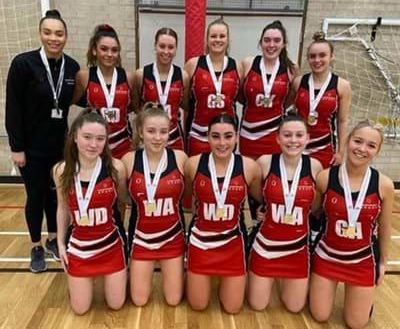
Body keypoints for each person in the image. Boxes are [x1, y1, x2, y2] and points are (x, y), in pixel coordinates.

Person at [5, 10, 80, 273]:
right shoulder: (23, 64)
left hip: (59, 147)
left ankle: (52, 240)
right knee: (35, 197)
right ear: (40, 34)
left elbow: (81, 96)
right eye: (48, 32)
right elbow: (13, 108)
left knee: (57, 197)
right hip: (31, 149)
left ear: (66, 37)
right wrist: (17, 148)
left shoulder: (71, 67)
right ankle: (36, 245)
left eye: (59, 33)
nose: (53, 38)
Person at [309, 120, 394, 329]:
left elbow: (385, 227)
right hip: (327, 255)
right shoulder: (325, 177)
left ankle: (365, 303)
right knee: (319, 315)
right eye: (358, 141)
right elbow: (313, 213)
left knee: (356, 323)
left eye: (371, 145)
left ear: (378, 151)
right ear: (347, 141)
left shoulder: (384, 185)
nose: (362, 149)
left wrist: (382, 263)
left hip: (362, 260)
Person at [184, 114, 262, 314]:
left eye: (228, 136)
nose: (222, 143)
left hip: (233, 242)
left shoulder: (250, 167)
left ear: (236, 137)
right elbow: (188, 196)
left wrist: (262, 213)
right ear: (207, 137)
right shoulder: (193, 164)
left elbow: (261, 198)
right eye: (215, 136)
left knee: (233, 308)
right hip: (201, 241)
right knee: (198, 305)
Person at [53, 108, 128, 314]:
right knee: (80, 309)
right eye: (87, 137)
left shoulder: (116, 168)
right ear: (75, 137)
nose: (94, 144)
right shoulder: (61, 171)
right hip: (79, 247)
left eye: (100, 138)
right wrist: (60, 244)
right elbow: (62, 208)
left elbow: (123, 202)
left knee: (116, 304)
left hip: (111, 245)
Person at [247, 115, 322, 312]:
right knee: (257, 305)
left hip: (297, 249)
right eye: (287, 135)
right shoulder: (265, 162)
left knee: (295, 307)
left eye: (299, 135)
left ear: (307, 138)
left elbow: (316, 206)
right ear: (278, 138)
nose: (293, 140)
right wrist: (264, 210)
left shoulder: (315, 166)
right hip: (266, 246)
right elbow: (255, 192)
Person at [121, 102, 188, 306]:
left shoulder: (181, 158)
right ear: (140, 132)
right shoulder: (128, 160)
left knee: (174, 300)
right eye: (151, 131)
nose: (158, 137)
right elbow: (124, 198)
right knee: (139, 301)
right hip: (141, 238)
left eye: (163, 132)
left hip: (173, 238)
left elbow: (193, 194)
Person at [290, 31, 352, 169]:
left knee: (321, 186)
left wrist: (341, 152)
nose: (317, 60)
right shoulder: (298, 82)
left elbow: (342, 121)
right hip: (297, 146)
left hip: (325, 148)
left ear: (331, 57)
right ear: (308, 59)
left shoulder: (342, 86)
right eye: (312, 56)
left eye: (322, 55)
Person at [72, 24, 135, 159]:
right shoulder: (84, 76)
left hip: (123, 142)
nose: (109, 54)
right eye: (104, 49)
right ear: (94, 50)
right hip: (94, 144)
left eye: (114, 50)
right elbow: (70, 101)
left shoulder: (128, 77)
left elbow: (134, 107)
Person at [240, 20, 299, 159]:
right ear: (260, 43)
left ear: (284, 44)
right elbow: (238, 94)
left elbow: (291, 97)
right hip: (248, 134)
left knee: (272, 177)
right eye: (267, 40)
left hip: (275, 135)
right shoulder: (248, 63)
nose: (271, 45)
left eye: (277, 40)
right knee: (249, 176)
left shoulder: (291, 68)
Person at [184, 18, 243, 156]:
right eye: (213, 36)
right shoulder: (193, 64)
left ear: (228, 40)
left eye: (222, 36)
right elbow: (185, 100)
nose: (218, 40)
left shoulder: (237, 67)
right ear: (207, 39)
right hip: (198, 134)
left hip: (226, 137)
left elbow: (239, 97)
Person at [135, 28, 189, 150]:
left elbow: (185, 104)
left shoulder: (183, 76)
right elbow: (136, 107)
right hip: (150, 138)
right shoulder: (141, 75)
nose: (166, 51)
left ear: (176, 49)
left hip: (174, 137)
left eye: (171, 47)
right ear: (155, 46)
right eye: (162, 46)